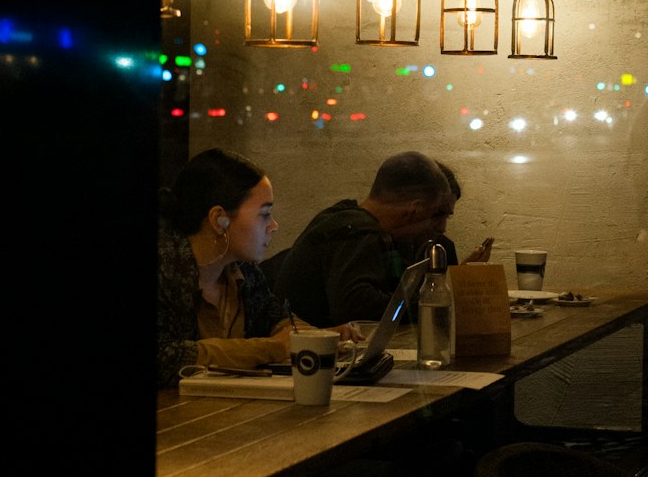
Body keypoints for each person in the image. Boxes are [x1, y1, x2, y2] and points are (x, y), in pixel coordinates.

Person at [157, 148, 293, 388]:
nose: (273, 225)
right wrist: (271, 348)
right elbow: (164, 358)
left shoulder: (242, 271)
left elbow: (277, 319)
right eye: (264, 214)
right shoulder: (164, 269)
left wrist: (320, 339)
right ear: (220, 219)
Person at [275, 151, 454, 325]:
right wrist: (430, 307)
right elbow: (355, 306)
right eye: (438, 214)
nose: (441, 227)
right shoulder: (357, 231)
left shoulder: (349, 222)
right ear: (416, 209)